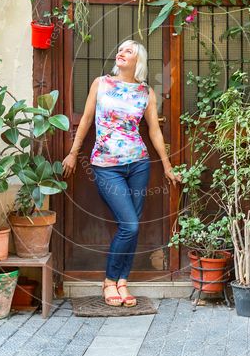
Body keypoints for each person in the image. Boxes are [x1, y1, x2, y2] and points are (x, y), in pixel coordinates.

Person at [62, 39, 180, 307]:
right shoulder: (101, 84)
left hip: (138, 164)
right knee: (130, 225)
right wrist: (73, 152)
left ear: (138, 61)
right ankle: (109, 280)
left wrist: (167, 165)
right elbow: (87, 119)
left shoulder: (146, 92)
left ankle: (122, 281)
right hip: (106, 166)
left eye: (129, 51)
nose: (121, 53)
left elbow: (153, 130)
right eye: (120, 49)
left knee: (132, 226)